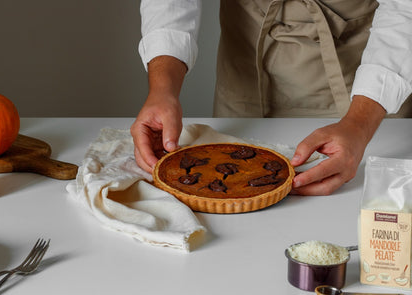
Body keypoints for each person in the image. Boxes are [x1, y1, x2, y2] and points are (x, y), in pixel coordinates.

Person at [130, 0, 412, 196]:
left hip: (368, 85)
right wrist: (162, 89)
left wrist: (359, 124)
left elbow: (404, 8)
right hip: (247, 72)